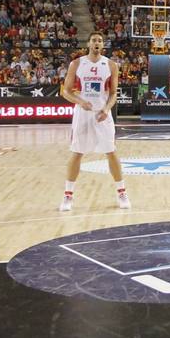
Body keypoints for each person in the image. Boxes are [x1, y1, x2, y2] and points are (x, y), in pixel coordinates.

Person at [59, 31, 128, 212]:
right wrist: (80, 102)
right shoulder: (77, 63)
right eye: (93, 40)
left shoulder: (111, 65)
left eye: (99, 40)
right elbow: (65, 91)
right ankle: (68, 195)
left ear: (103, 45)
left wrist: (106, 109)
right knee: (77, 152)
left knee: (111, 152)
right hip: (83, 114)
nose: (96, 43)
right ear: (88, 44)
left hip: (102, 114)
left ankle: (121, 192)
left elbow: (113, 93)